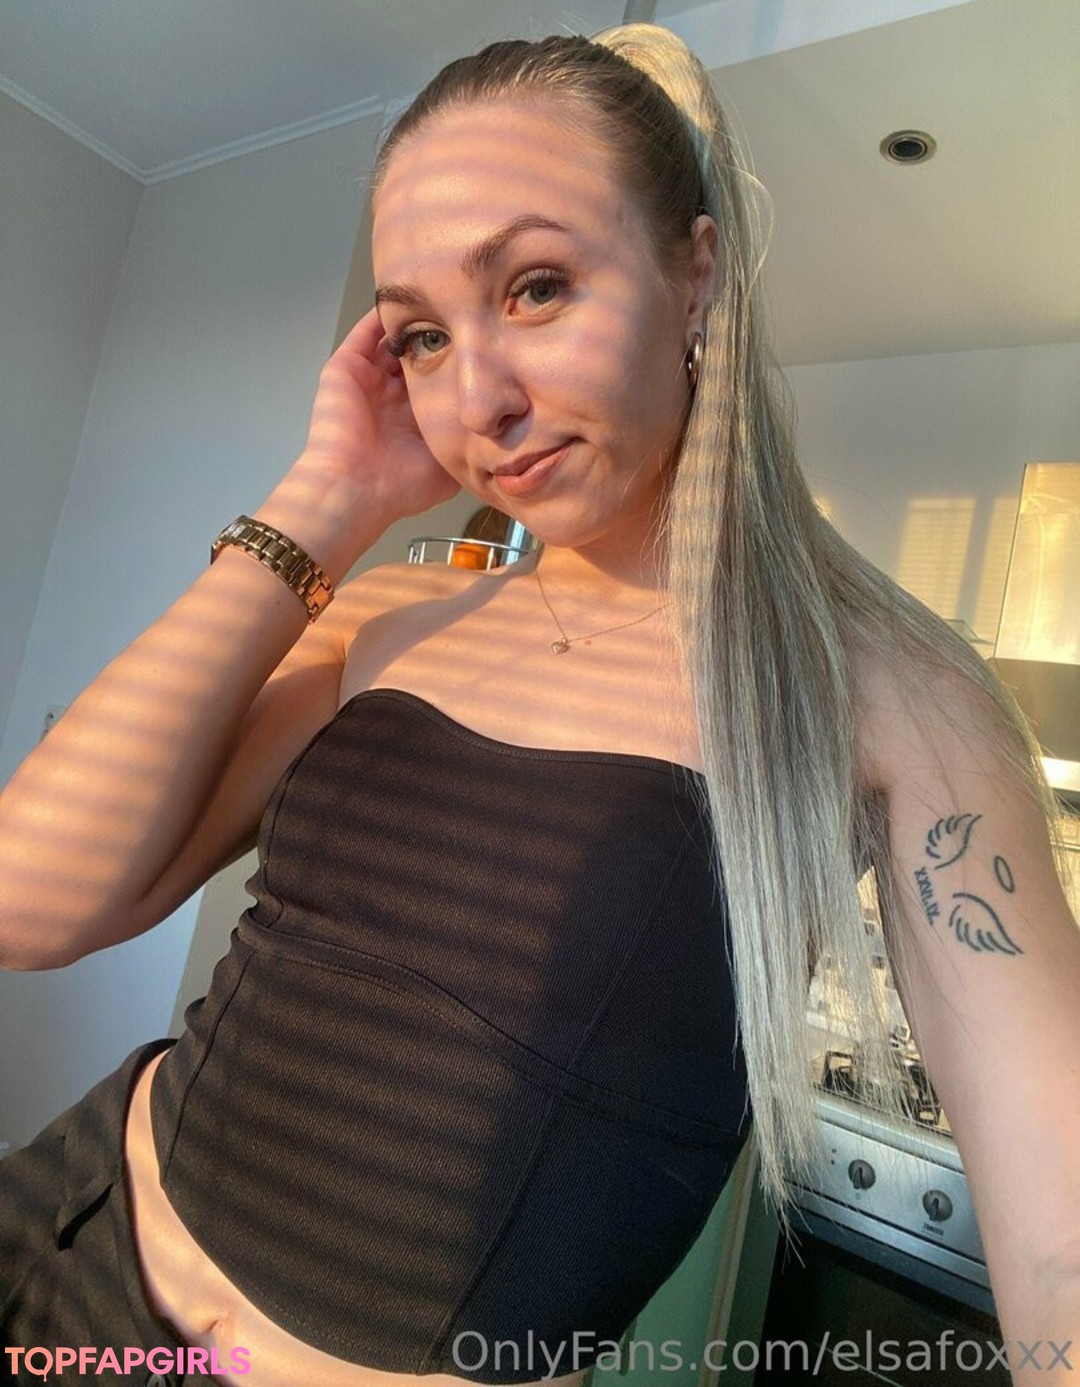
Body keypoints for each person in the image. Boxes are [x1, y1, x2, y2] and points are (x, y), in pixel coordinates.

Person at [1, 20, 1078, 1387]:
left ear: (696, 276)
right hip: (64, 1229)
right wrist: (324, 502)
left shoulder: (885, 696)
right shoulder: (393, 609)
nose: (480, 399)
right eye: (423, 336)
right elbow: (29, 903)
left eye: (538, 287)